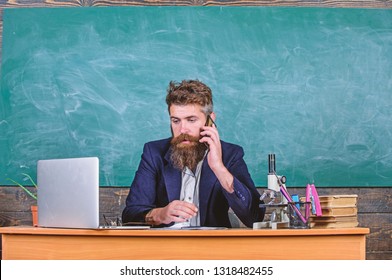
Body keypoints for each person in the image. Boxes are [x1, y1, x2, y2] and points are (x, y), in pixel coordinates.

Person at [122, 80, 264, 228]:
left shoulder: (231, 154)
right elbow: (130, 215)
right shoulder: (154, 152)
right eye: (176, 121)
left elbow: (254, 217)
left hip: (211, 247)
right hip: (164, 247)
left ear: (210, 120)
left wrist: (219, 168)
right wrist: (160, 214)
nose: (183, 129)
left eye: (191, 120)